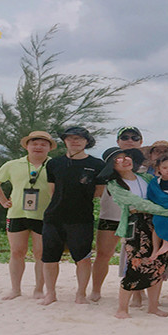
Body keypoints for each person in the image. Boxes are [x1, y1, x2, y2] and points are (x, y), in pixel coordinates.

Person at [99, 147, 168, 319]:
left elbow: (164, 194)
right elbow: (139, 203)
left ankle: (153, 307)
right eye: (118, 159)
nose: (125, 160)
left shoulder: (146, 177)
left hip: (158, 223)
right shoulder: (114, 185)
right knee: (135, 265)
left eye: (126, 157)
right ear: (112, 166)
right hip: (137, 225)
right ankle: (122, 309)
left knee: (159, 265)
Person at [40, 126, 106, 305]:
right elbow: (52, 190)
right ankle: (50, 293)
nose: (74, 141)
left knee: (83, 259)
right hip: (54, 217)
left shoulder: (97, 165)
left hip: (81, 218)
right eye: (70, 138)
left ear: (87, 141)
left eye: (79, 138)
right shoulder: (54, 163)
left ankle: (81, 294)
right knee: (49, 258)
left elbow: (99, 191)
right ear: (64, 141)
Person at [0, 130, 55, 300]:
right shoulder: (12, 164)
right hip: (17, 214)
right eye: (34, 143)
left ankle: (39, 289)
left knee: (41, 254)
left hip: (44, 215)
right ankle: (15, 289)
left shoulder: (55, 165)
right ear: (27, 146)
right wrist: (3, 201)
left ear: (49, 148)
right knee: (17, 252)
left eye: (43, 144)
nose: (38, 147)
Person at [91, 126, 144, 302]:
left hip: (137, 217)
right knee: (103, 255)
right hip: (110, 216)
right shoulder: (105, 165)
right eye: (125, 137)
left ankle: (138, 292)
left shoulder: (146, 168)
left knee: (137, 256)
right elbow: (95, 191)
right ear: (118, 141)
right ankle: (96, 290)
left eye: (134, 138)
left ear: (141, 141)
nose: (130, 140)